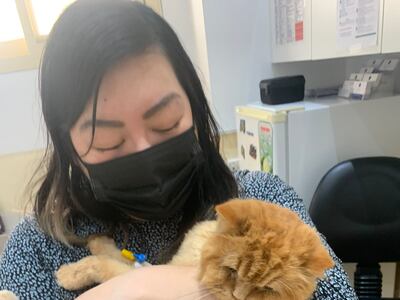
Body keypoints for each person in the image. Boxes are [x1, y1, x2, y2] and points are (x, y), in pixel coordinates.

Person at [0, 1, 357, 299]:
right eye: (108, 140)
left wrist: (156, 286)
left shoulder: (260, 202)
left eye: (166, 122)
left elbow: (328, 286)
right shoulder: (38, 247)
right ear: (68, 145)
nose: (143, 150)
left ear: (195, 105)